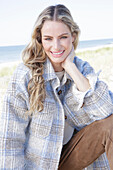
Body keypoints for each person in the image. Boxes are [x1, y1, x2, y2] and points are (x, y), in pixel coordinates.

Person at [0, 4, 113, 170]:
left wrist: (71, 68)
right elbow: (10, 138)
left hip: (73, 158)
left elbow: (107, 111)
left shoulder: (82, 69)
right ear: (39, 39)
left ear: (73, 36)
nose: (56, 46)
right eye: (48, 39)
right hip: (40, 165)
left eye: (63, 37)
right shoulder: (25, 75)